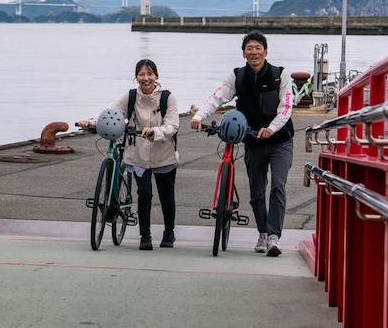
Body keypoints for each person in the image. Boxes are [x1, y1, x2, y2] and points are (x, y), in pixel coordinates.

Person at [190, 31, 294, 257]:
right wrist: (199, 116)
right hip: (253, 141)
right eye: (249, 48)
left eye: (258, 47)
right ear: (243, 53)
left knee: (278, 185)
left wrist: (272, 128)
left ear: (266, 51)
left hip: (280, 141)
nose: (254, 52)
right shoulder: (237, 76)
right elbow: (217, 97)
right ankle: (263, 233)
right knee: (257, 192)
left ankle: (274, 236)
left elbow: (286, 108)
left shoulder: (280, 75)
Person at [79, 59, 180, 251]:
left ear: (156, 76)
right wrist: (91, 122)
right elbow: (111, 113)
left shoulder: (168, 98)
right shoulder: (131, 96)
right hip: (138, 155)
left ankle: (169, 232)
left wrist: (154, 132)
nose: (146, 78)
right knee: (144, 193)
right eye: (141, 74)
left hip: (163, 154)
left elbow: (173, 125)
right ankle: (145, 235)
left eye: (149, 74)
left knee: (167, 196)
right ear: (136, 77)